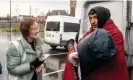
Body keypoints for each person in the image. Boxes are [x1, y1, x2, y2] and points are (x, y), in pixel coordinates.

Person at [63, 6, 129, 80]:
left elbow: (112, 59)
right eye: (90, 18)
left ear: (103, 17)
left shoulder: (115, 34)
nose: (92, 21)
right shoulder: (90, 33)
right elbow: (77, 46)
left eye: (95, 17)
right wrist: (73, 55)